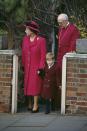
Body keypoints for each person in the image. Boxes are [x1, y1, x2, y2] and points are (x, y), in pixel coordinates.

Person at [21, 21, 46, 113]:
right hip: (27, 67)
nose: (25, 31)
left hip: (36, 67)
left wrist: (41, 67)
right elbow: (23, 53)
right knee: (28, 85)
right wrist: (23, 65)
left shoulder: (41, 40)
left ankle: (36, 105)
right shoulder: (25, 39)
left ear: (32, 30)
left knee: (35, 85)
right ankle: (30, 103)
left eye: (26, 29)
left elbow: (43, 55)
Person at [56, 13, 80, 106]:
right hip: (59, 55)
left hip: (67, 56)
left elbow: (73, 43)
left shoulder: (73, 29)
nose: (59, 24)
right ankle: (58, 102)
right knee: (58, 75)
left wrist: (68, 55)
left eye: (60, 22)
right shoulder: (60, 28)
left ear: (66, 21)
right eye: (58, 22)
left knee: (66, 77)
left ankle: (66, 102)